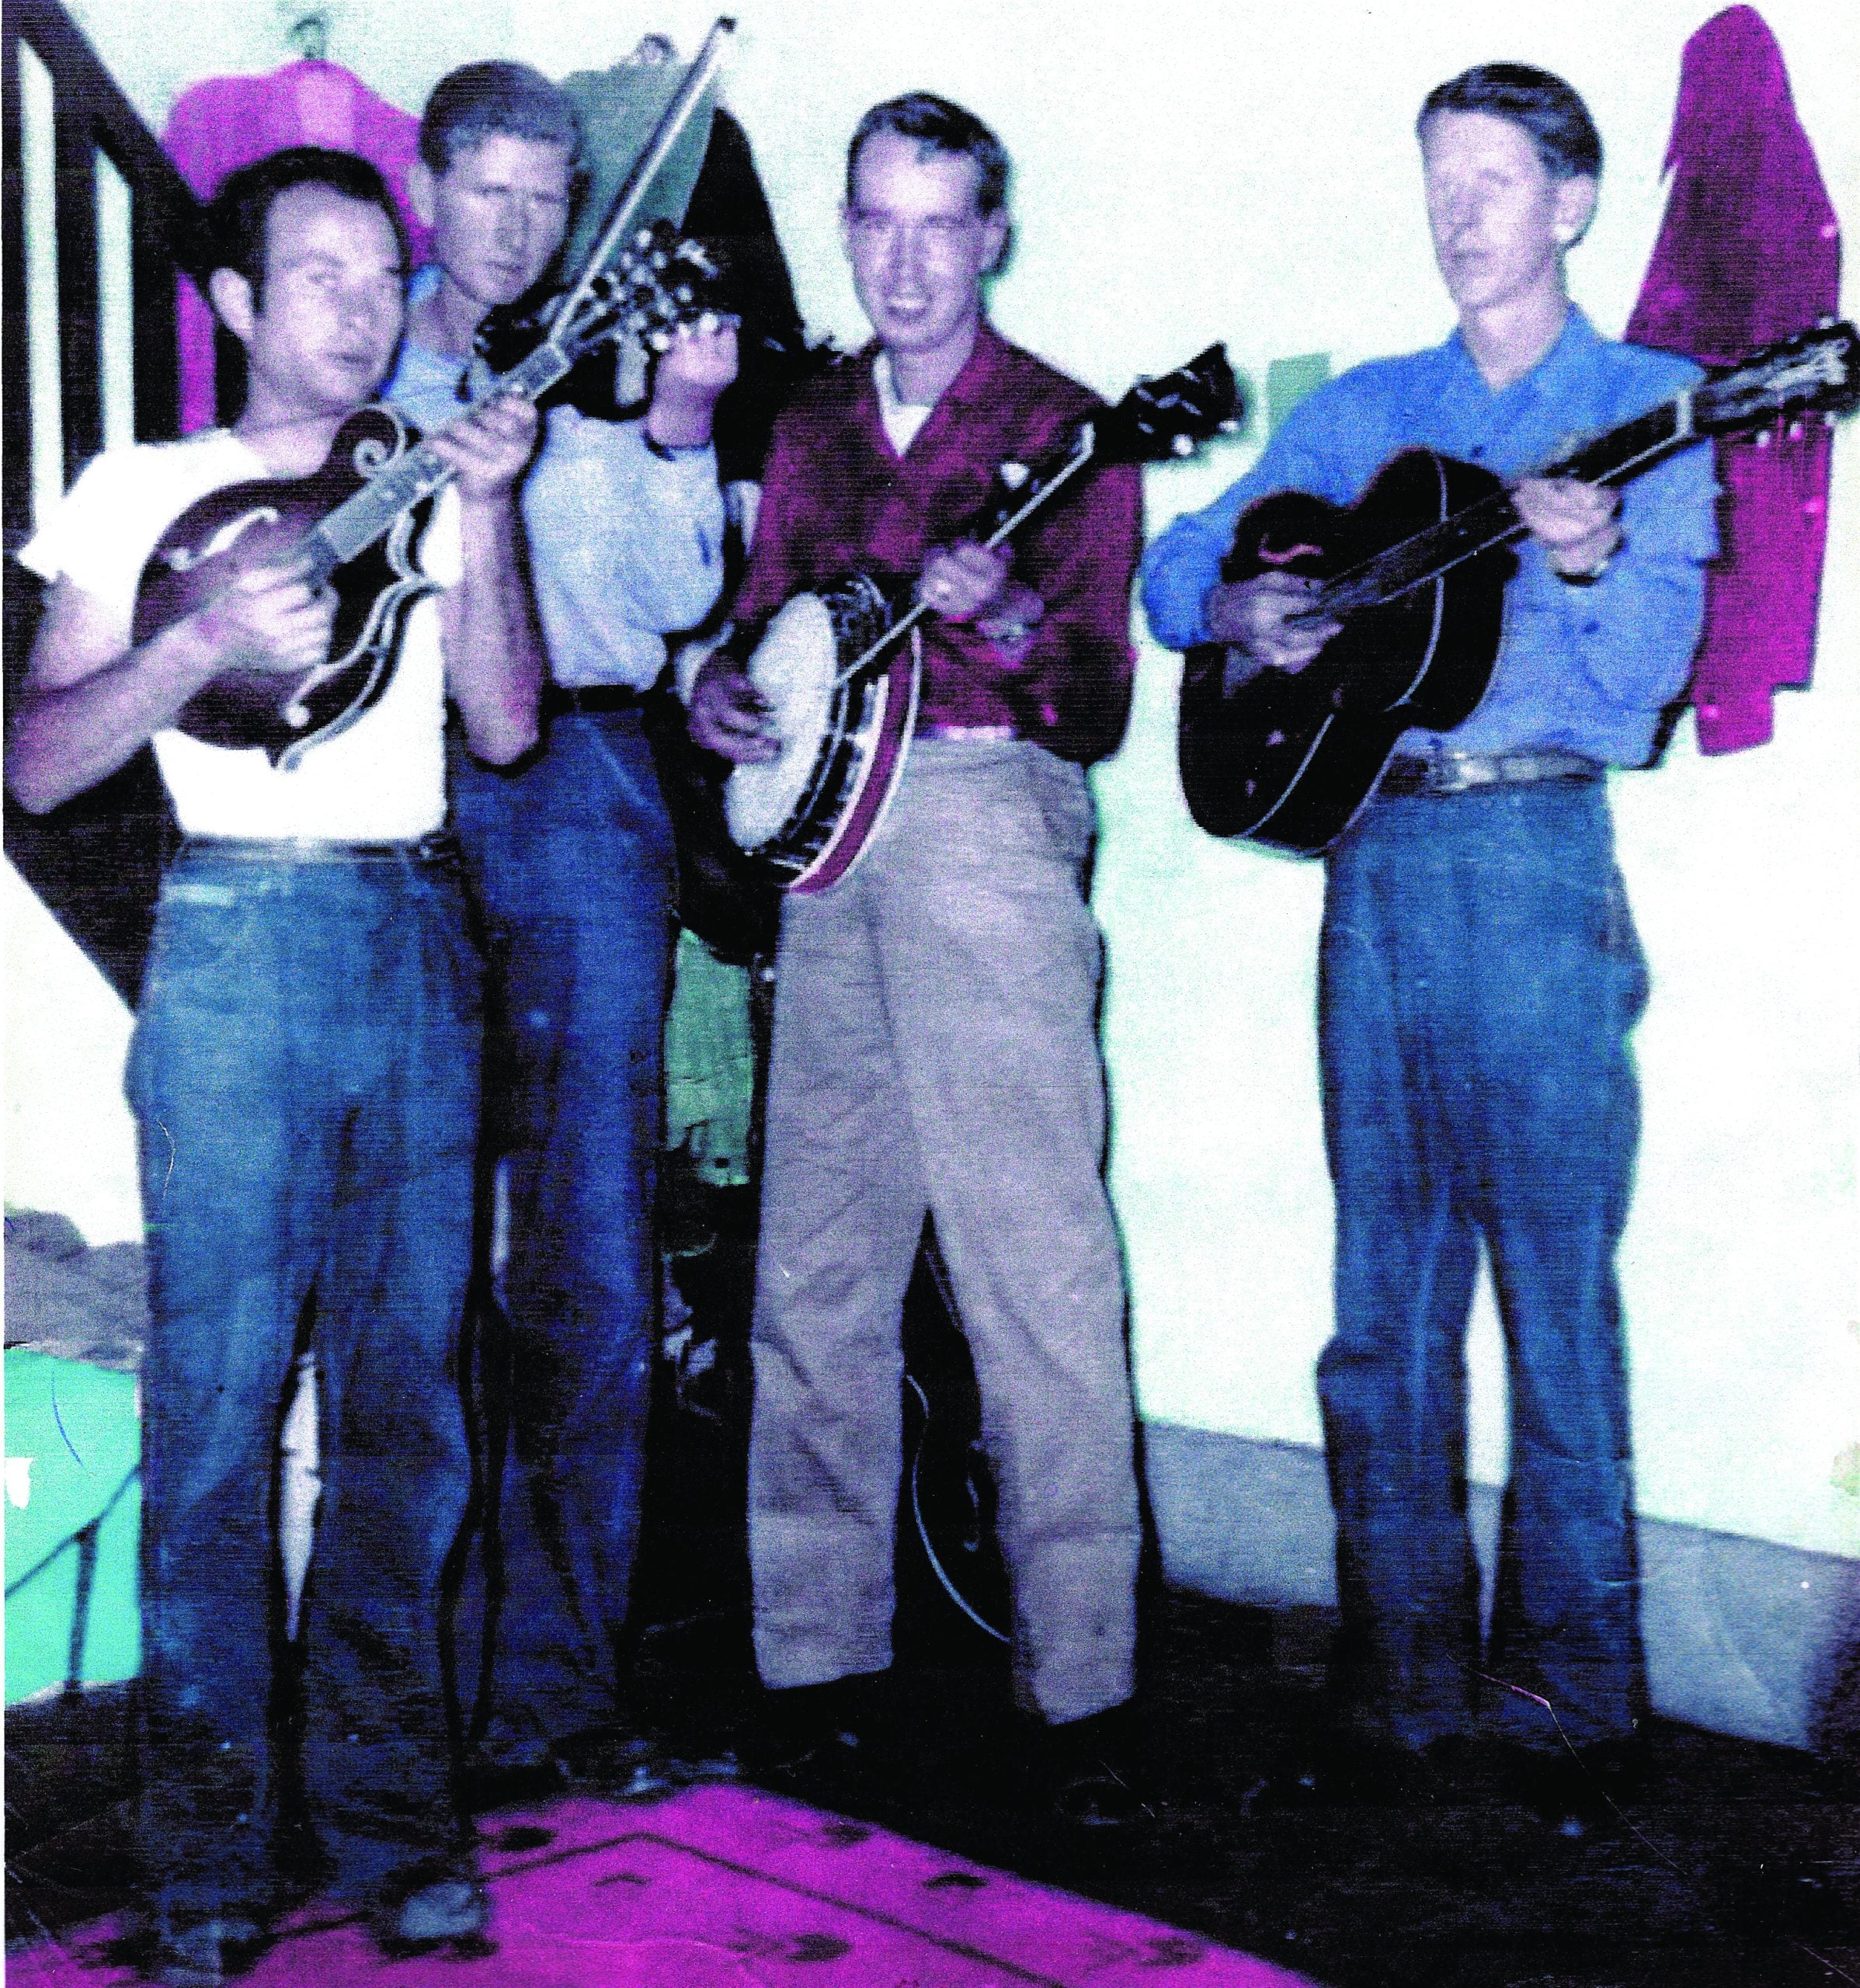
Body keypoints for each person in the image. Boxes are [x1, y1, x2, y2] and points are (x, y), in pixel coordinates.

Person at [1142, 64, 1717, 1821]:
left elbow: (1632, 706)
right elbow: (1176, 573)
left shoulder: (1652, 401)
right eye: (1437, 180)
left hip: (1538, 852)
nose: (1459, 213)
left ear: (1571, 202)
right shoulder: (1371, 412)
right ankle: (1396, 1683)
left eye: (1493, 179)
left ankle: (1575, 1693)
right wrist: (1244, 606)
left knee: (1557, 1293)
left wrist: (1598, 556)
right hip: (1376, 864)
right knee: (1378, 1299)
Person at [8, 147, 542, 1980]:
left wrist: (501, 514)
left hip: (416, 931)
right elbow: (42, 761)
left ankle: (396, 1824)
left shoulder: (422, 473)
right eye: (316, 273)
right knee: (217, 1417)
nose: (363, 301)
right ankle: (210, 1858)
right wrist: (201, 635)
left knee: (412, 1407)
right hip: (232, 936)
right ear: (231, 305)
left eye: (379, 270)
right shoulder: (138, 490)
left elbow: (511, 717)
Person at [689, 92, 1146, 1824]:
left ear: (992, 234)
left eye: (937, 221)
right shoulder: (807, 426)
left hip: (980, 825)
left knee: (1034, 1271)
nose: (901, 256)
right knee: (812, 1268)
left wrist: (1009, 618)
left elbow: (1096, 697)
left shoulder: (1069, 428)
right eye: (874, 218)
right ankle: (815, 1658)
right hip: (827, 851)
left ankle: (1084, 1692)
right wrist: (719, 693)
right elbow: (765, 634)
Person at [384, 62, 737, 1787]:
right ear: (424, 185)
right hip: (392, 794)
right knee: (411, 1254)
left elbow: (677, 601)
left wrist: (672, 431)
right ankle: (410, 1696)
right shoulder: (357, 353)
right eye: (488, 192)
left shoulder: (611, 345)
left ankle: (563, 1692)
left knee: (588, 1251)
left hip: (588, 780)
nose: (518, 230)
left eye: (546, 197)